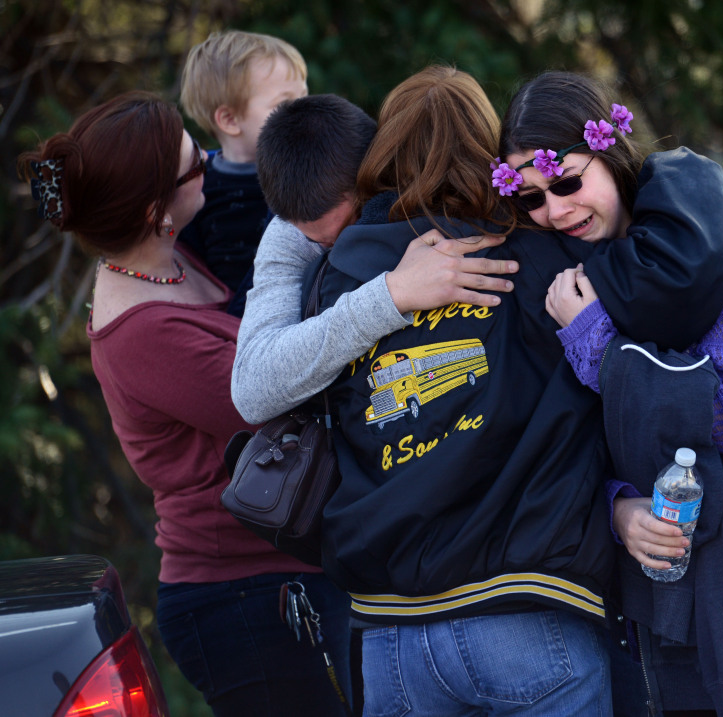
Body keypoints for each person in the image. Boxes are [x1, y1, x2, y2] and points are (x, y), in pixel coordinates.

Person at [306, 65, 723, 716]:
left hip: (388, 633)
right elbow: (672, 280)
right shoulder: (541, 259)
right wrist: (680, 171)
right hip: (528, 612)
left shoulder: (342, 277)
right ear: (491, 159)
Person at [498, 70, 723, 716]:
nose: (555, 210)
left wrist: (593, 342)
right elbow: (574, 441)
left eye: (568, 182)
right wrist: (618, 510)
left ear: (610, 155)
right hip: (660, 593)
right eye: (531, 200)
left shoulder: (722, 247)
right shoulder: (563, 282)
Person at [19, 91, 353, 717]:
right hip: (243, 597)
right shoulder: (145, 336)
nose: (207, 159)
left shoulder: (166, 257)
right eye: (194, 166)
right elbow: (283, 390)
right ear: (155, 210)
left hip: (282, 570)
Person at [231, 93, 520, 425]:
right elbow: (252, 391)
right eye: (318, 241)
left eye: (350, 225)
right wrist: (392, 294)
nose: (341, 249)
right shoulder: (288, 232)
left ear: (376, 172)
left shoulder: (425, 185)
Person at [178, 30, 308, 317]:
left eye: (304, 96)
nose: (304, 111)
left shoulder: (314, 164)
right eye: (285, 104)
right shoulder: (198, 189)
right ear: (230, 120)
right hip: (243, 327)